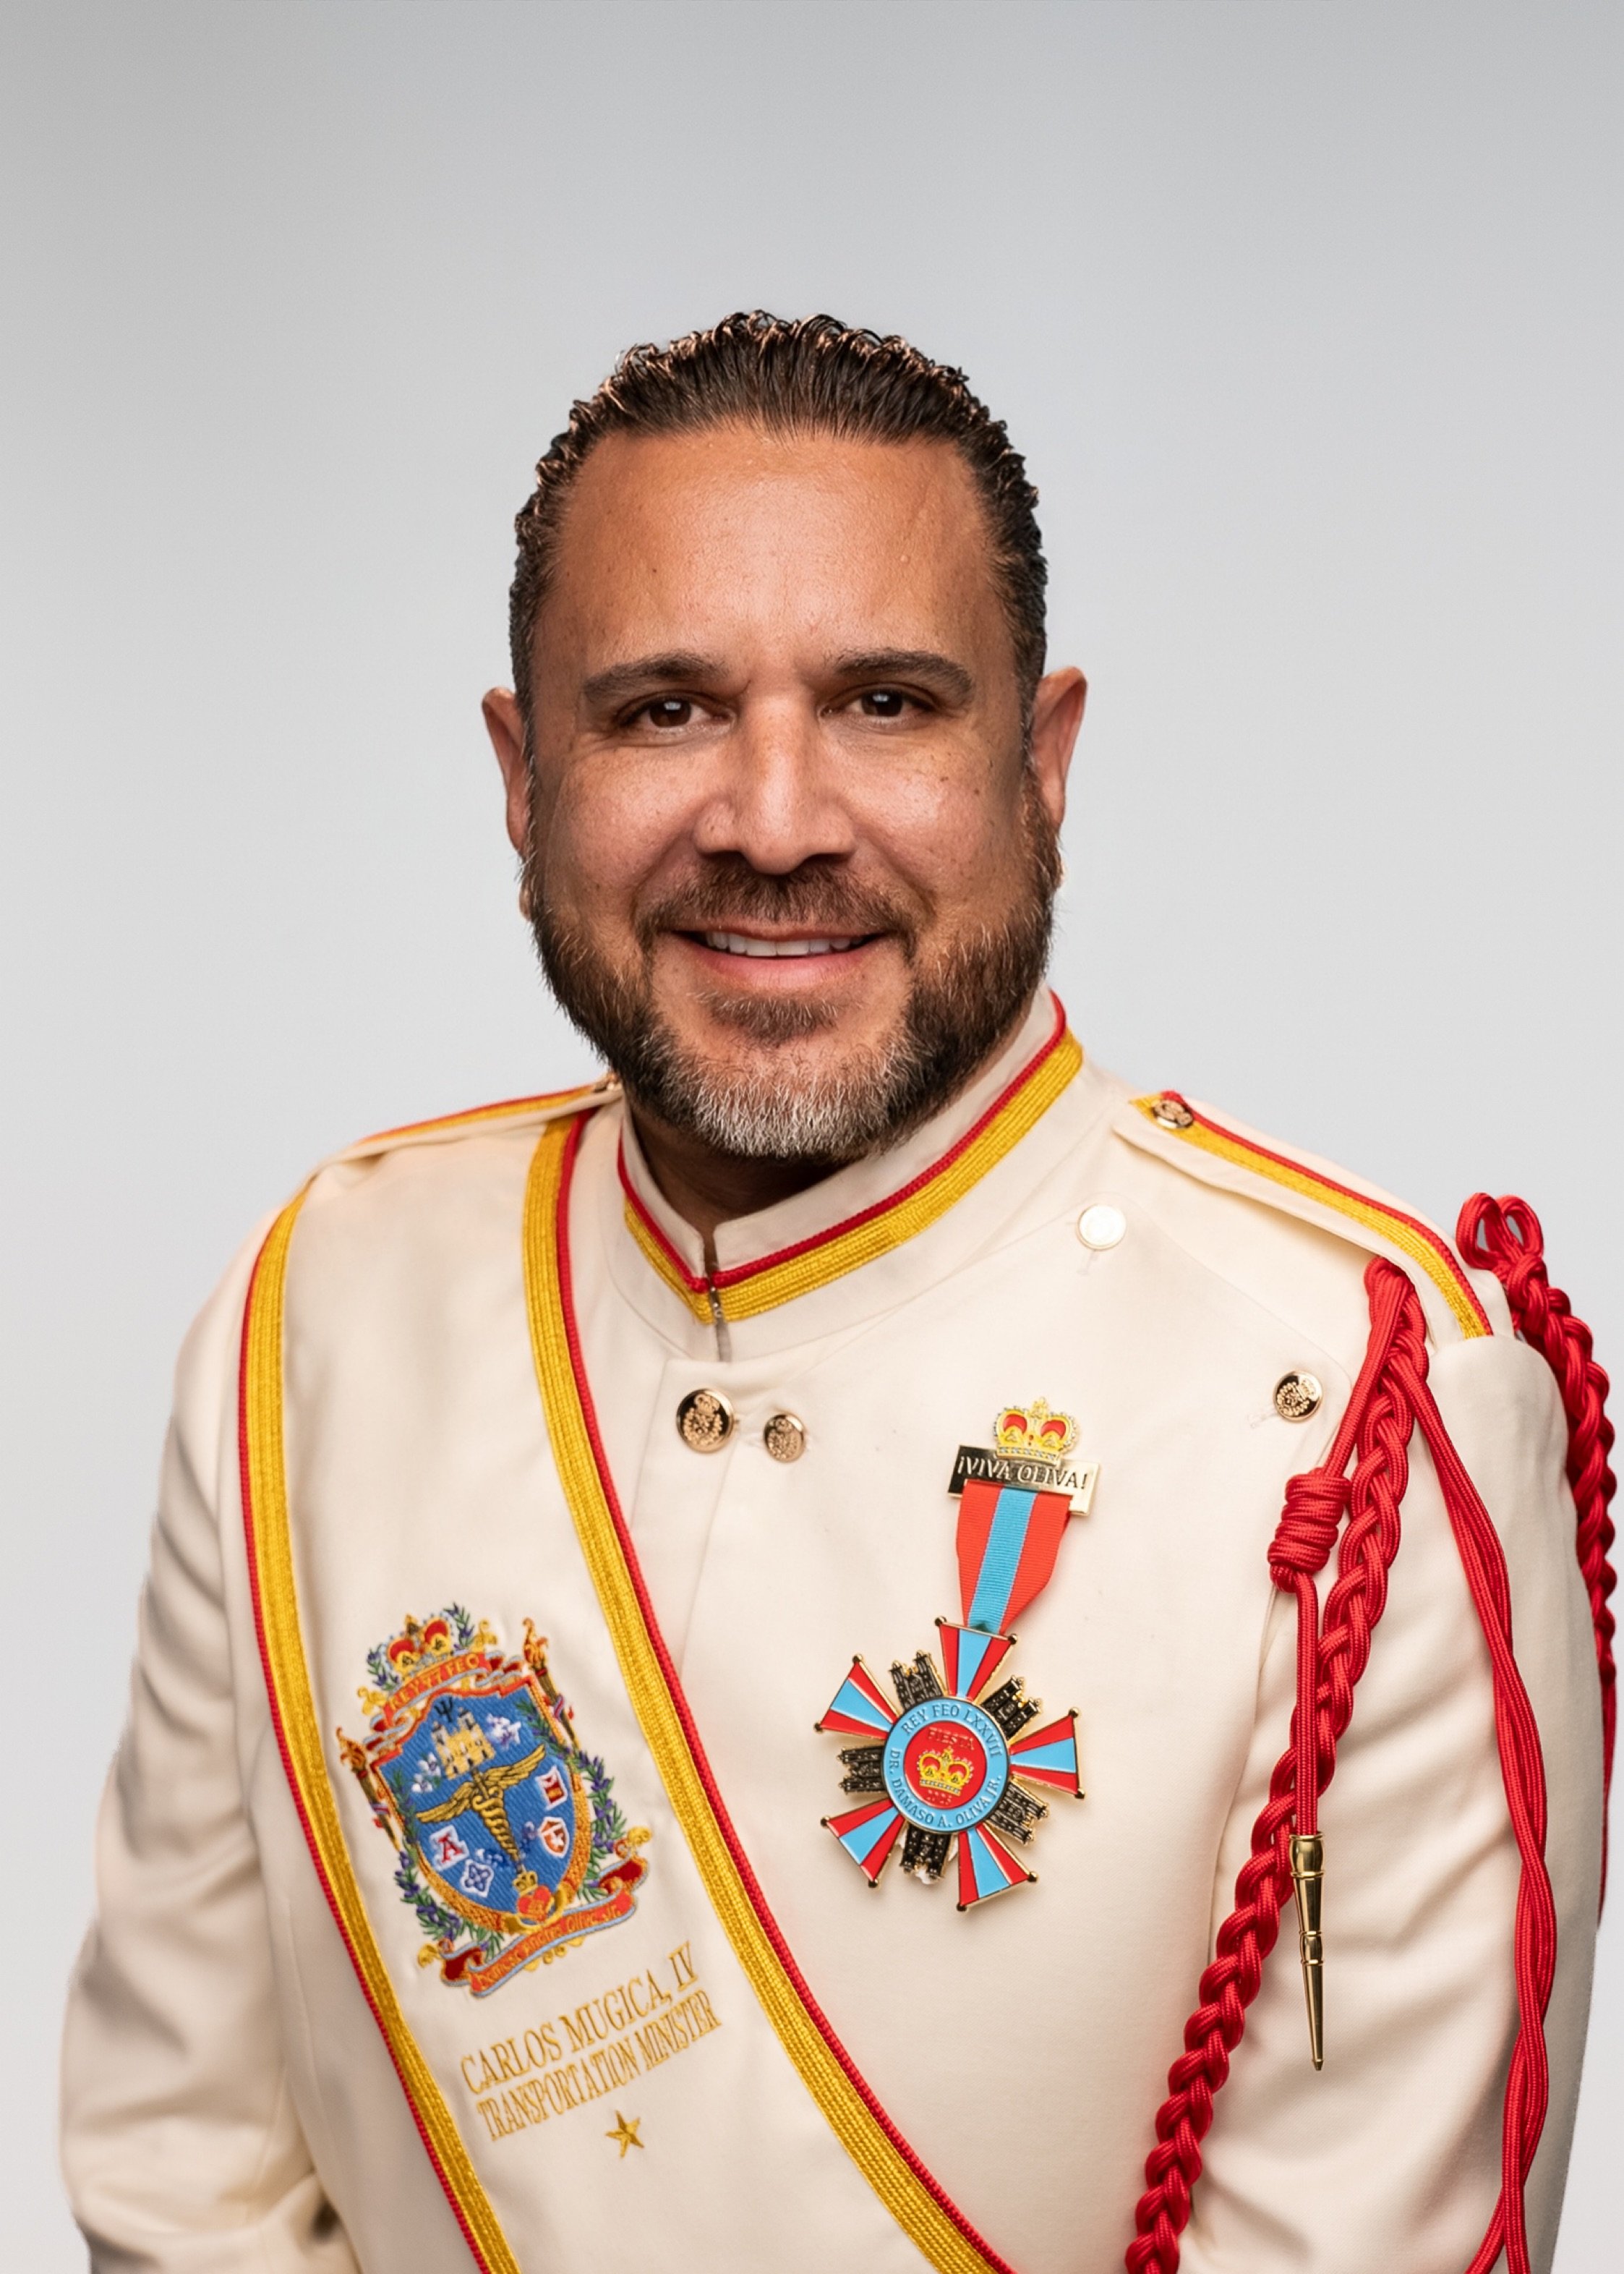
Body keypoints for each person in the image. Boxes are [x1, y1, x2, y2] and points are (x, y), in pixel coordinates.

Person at [60, 312, 1613, 2274]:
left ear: (1040, 769)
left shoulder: (1367, 1396)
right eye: (660, 712)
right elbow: (177, 2178)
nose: (775, 823)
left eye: (885, 704)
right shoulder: (320, 1314)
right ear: (519, 776)